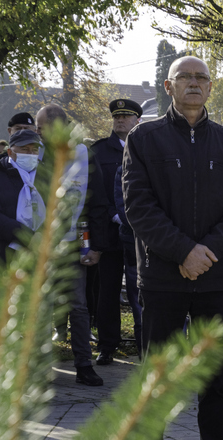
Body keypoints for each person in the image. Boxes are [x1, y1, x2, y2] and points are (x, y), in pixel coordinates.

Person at [122, 56, 223, 440]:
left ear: (211, 87)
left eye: (202, 77)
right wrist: (183, 252)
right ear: (169, 86)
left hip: (215, 279)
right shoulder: (144, 139)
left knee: (214, 381)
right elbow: (138, 205)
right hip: (163, 278)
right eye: (186, 77)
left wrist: (205, 253)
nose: (194, 83)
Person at [37, 105, 110, 383]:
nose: (37, 132)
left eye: (41, 127)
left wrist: (96, 246)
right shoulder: (35, 153)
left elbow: (98, 203)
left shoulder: (84, 154)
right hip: (40, 246)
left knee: (78, 306)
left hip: (72, 245)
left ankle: (83, 365)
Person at [90, 98, 143, 365]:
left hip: (139, 235)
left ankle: (144, 343)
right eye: (116, 116)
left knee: (140, 291)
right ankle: (107, 345)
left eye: (126, 116)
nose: (120, 120)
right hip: (109, 233)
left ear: (137, 121)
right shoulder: (99, 151)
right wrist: (115, 214)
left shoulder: (145, 147)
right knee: (108, 292)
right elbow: (95, 190)